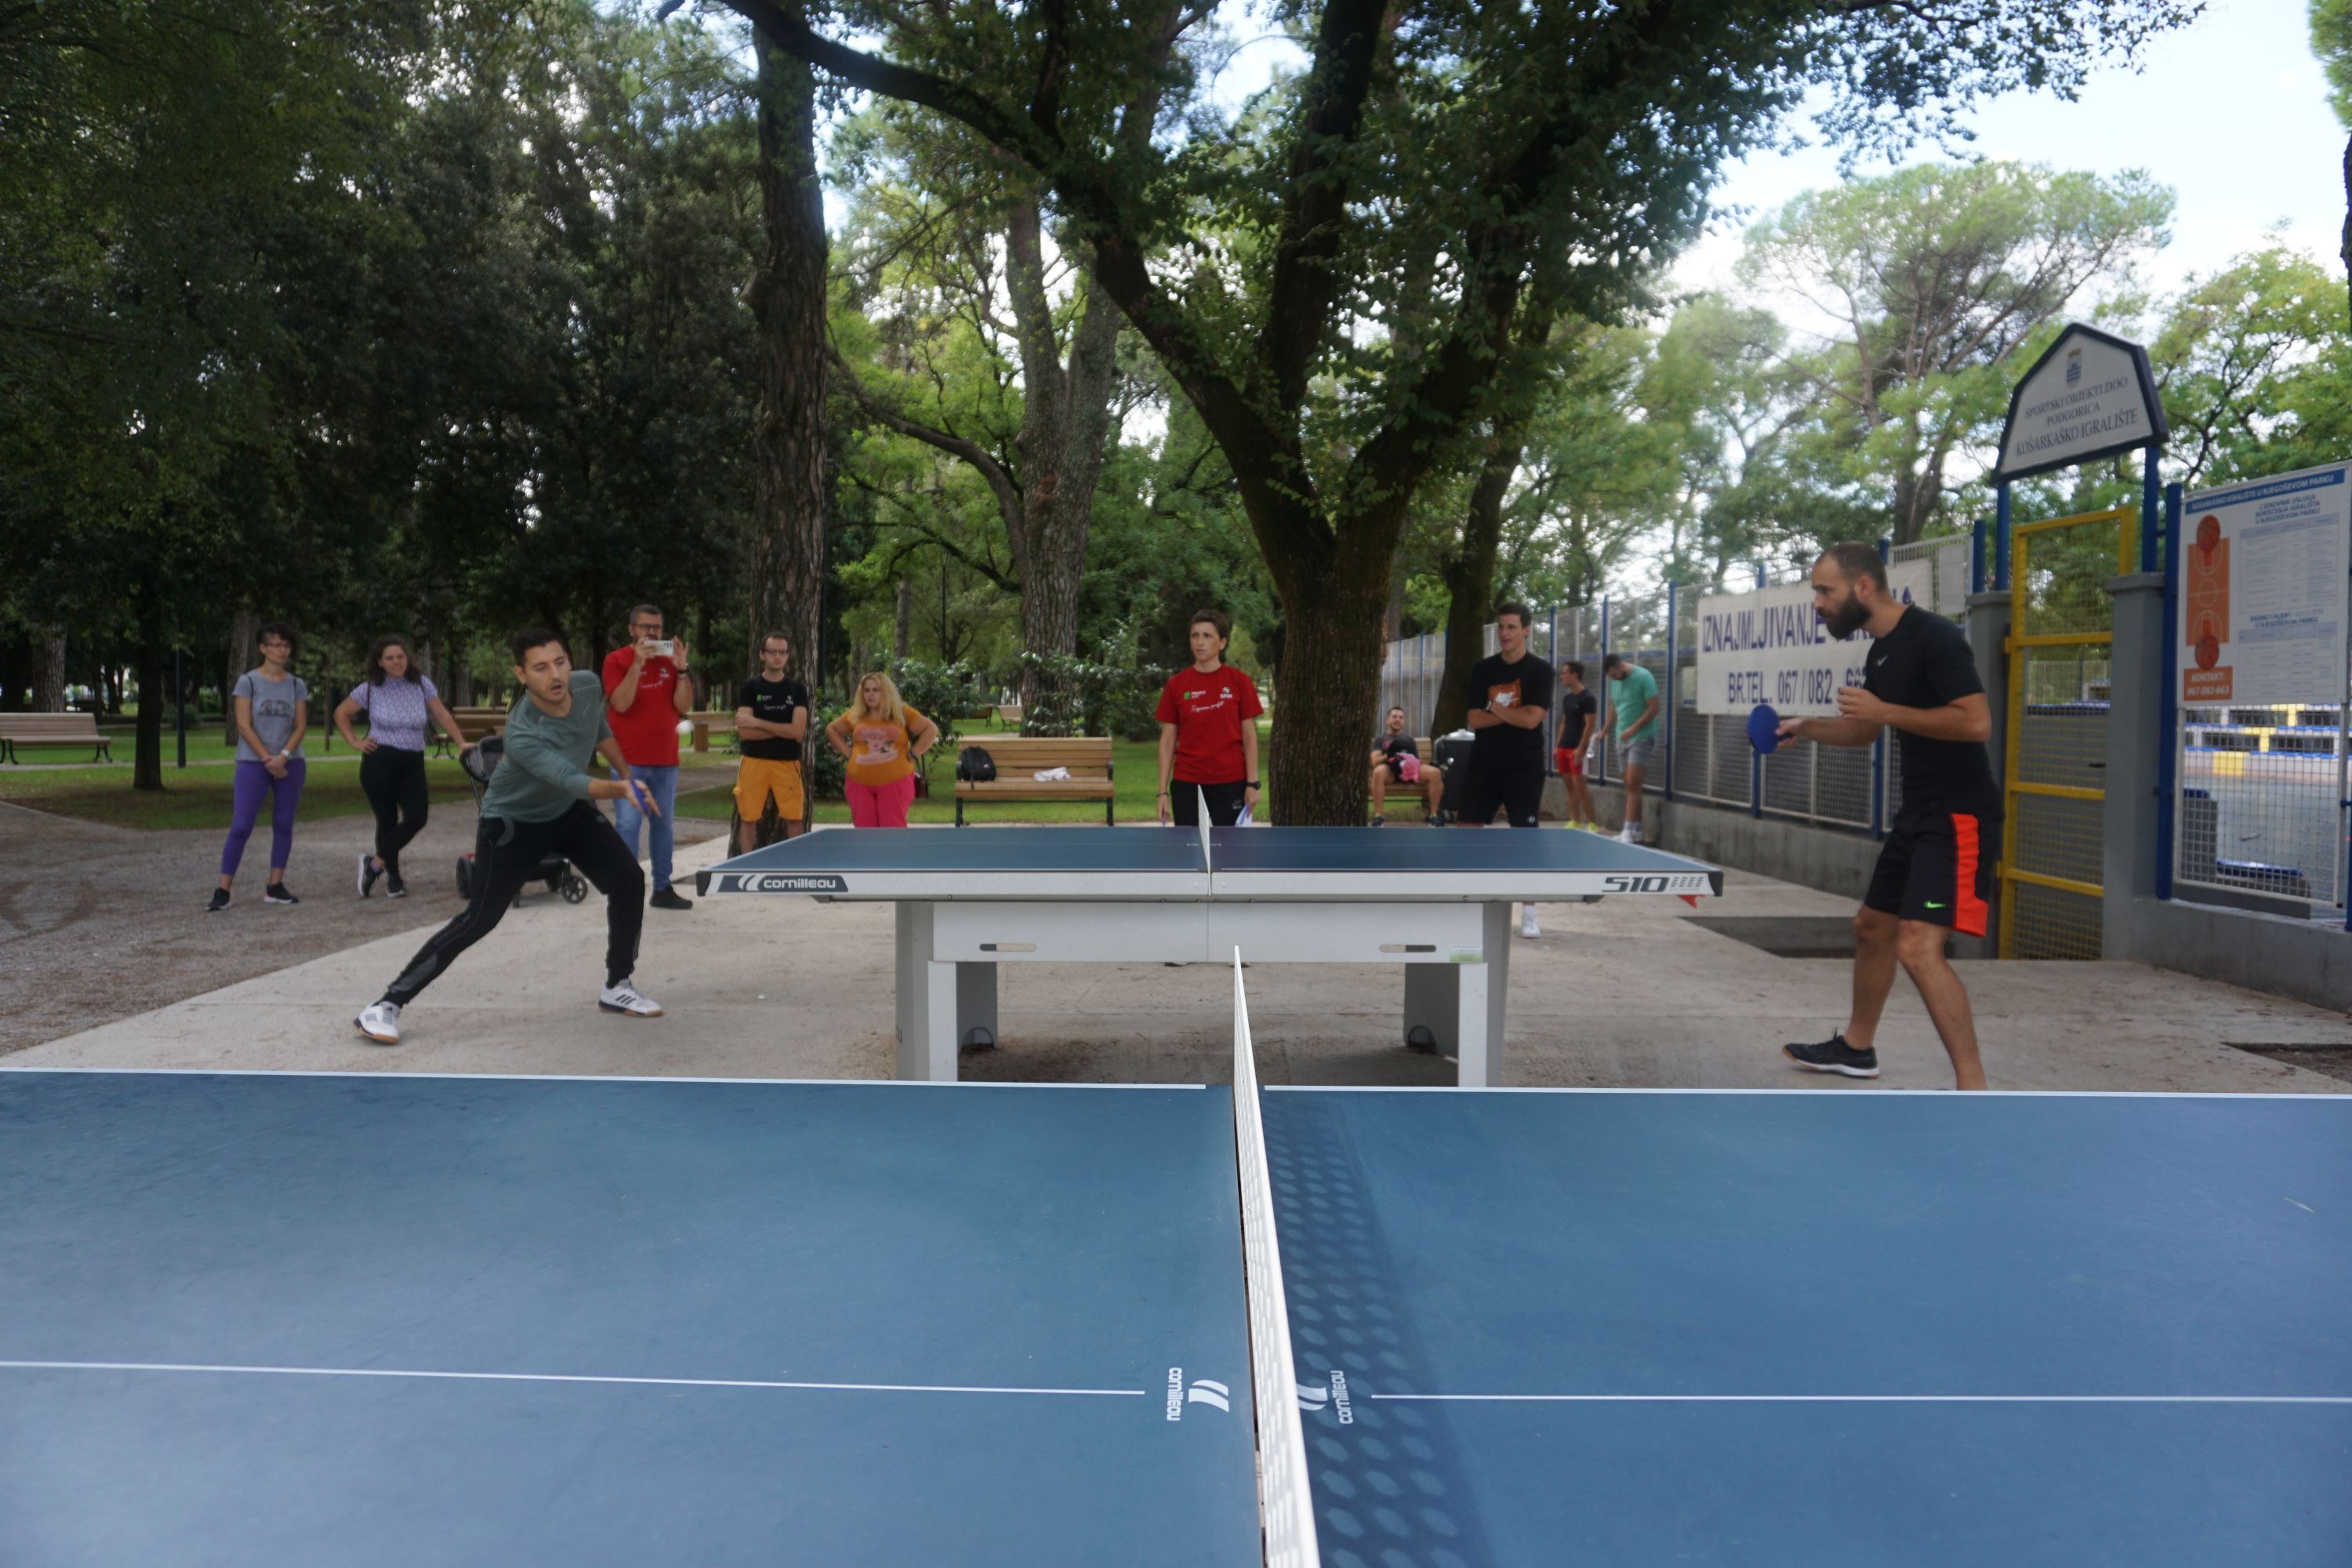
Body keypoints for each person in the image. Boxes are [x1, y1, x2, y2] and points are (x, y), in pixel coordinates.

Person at [354, 627, 664, 1046]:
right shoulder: (522, 732)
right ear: (522, 674)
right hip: (513, 823)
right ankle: (386, 1004)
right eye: (540, 667)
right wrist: (620, 789)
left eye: (559, 662)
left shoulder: (587, 686)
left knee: (629, 880)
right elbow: (568, 778)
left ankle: (617, 985)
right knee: (479, 920)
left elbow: (599, 729)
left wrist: (626, 773)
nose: (554, 674)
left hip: (565, 812)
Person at [1777, 542, 1997, 1091]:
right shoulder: (1881, 651)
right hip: (1918, 814)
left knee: (1919, 946)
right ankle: (1855, 1048)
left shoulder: (1935, 638)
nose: (1817, 603)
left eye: (1824, 591)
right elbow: (1863, 729)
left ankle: (1975, 1089)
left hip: (1958, 818)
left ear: (1863, 588)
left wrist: (1885, 710)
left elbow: (1975, 724)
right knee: (1872, 927)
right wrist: (1805, 726)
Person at [334, 634, 472, 898]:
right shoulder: (370, 688)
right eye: (390, 658)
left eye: (400, 656)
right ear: (380, 662)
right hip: (379, 760)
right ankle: (394, 879)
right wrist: (353, 741)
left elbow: (441, 714)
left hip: (412, 760)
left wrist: (461, 742)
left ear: (407, 659)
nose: (396, 662)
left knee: (417, 817)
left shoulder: (421, 684)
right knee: (387, 820)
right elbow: (341, 713)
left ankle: (373, 865)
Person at [1455, 603, 1554, 938]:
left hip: (1523, 767)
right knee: (1467, 828)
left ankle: (1528, 912)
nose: (1505, 634)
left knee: (1523, 838)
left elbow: (1532, 720)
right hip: (1485, 763)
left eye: (1512, 627)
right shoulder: (1483, 670)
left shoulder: (1541, 671)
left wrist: (1495, 708)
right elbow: (1474, 720)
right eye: (1501, 627)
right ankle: (1467, 900)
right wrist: (1511, 712)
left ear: (1526, 630)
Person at [601, 604, 694, 911]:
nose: (651, 633)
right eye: (645, 627)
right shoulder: (616, 660)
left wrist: (681, 669)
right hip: (628, 760)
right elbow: (621, 703)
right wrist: (638, 665)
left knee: (663, 825)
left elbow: (683, 705)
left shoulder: (669, 660)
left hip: (666, 759)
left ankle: (662, 888)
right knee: (628, 825)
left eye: (656, 628)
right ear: (632, 630)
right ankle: (626, 888)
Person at [209, 622, 309, 912]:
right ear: (262, 648)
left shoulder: (296, 684)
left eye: (286, 645)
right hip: (253, 762)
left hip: (290, 763)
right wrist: (269, 758)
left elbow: (300, 725)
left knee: (283, 823)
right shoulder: (248, 682)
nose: (282, 650)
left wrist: (284, 756)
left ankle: (275, 885)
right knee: (241, 826)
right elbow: (243, 724)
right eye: (276, 645)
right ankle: (223, 890)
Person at [1155, 608, 1264, 827]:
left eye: (1207, 636)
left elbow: (1249, 737)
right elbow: (1167, 742)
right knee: (1191, 853)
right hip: (1188, 783)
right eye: (1195, 636)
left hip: (1231, 782)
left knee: (1230, 855)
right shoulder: (1176, 685)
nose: (1200, 642)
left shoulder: (1239, 682)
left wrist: (1252, 784)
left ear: (1222, 643)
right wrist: (1161, 792)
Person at [732, 630, 811, 851]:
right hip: (754, 761)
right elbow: (746, 733)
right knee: (748, 819)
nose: (777, 657)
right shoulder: (750, 687)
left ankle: (794, 868)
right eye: (772, 652)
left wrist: (757, 722)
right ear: (762, 655)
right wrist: (783, 730)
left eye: (782, 652)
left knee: (794, 818)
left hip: (787, 762)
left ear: (787, 656)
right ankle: (746, 867)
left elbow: (798, 731)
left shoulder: (797, 689)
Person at [825, 671, 937, 828]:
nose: (870, 694)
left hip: (895, 782)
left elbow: (930, 729)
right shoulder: (856, 715)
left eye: (876, 690)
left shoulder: (902, 712)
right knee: (864, 834)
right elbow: (831, 729)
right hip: (859, 784)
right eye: (867, 690)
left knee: (892, 833)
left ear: (886, 691)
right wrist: (848, 752)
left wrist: (913, 753)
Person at [1602, 652, 1661, 844]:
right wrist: (1605, 730)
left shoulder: (1644, 677)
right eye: (1610, 677)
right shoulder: (1614, 681)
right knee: (1630, 785)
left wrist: (1634, 728)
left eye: (1614, 675)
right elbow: (1614, 707)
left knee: (1633, 782)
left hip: (1642, 736)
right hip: (1622, 738)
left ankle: (1627, 830)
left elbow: (1654, 708)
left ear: (1621, 666)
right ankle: (1637, 829)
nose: (1614, 679)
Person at [1367, 706, 1442, 826]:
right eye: (1394, 717)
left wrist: (1408, 755)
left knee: (1435, 773)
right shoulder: (1380, 739)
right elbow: (1375, 761)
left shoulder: (1409, 740)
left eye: (1401, 717)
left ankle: (1433, 815)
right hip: (1391, 771)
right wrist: (1390, 754)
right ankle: (1378, 816)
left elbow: (1419, 761)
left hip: (1409, 771)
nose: (1398, 719)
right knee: (1378, 772)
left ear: (1403, 721)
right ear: (1388, 720)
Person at [1554, 660, 1599, 832]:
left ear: (1575, 675)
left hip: (1577, 750)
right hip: (1563, 748)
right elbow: (1564, 723)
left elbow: (1590, 725)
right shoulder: (1567, 698)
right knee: (1570, 787)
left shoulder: (1588, 698)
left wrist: (1581, 749)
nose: (1562, 676)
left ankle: (1592, 824)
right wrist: (1557, 747)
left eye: (1565, 673)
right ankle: (1575, 821)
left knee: (1581, 787)